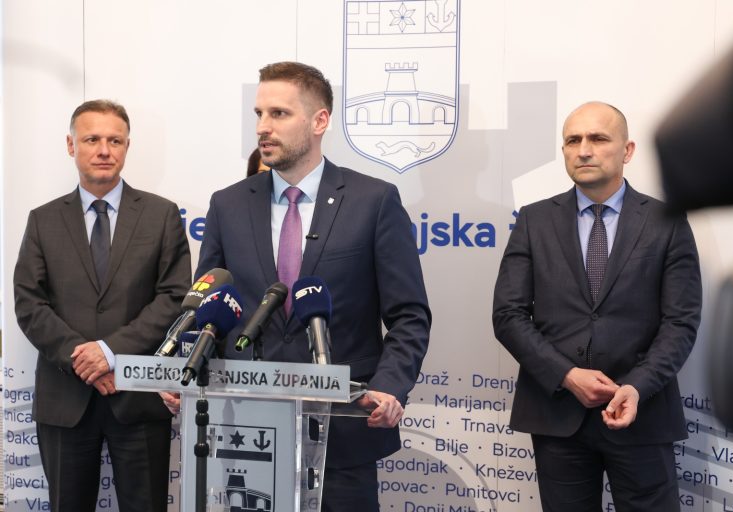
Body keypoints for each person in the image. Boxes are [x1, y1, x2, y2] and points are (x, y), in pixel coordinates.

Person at [162, 61, 431, 511]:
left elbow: (409, 315)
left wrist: (388, 387)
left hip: (344, 434)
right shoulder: (228, 205)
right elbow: (208, 305)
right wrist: (182, 373)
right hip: (243, 433)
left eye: (279, 114)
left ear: (319, 120)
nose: (263, 127)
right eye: (259, 114)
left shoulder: (374, 201)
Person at [492, 101, 702, 511]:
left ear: (627, 150)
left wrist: (636, 387)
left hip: (641, 411)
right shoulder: (534, 220)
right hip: (557, 414)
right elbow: (508, 315)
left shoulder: (667, 221)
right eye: (573, 140)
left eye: (598, 138)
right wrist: (567, 375)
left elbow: (681, 322)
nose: (584, 150)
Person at [13, 99, 191, 512]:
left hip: (138, 396)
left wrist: (110, 353)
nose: (104, 150)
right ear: (71, 145)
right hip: (65, 397)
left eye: (115, 140)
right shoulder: (42, 219)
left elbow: (174, 297)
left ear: (128, 146)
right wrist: (85, 359)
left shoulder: (161, 215)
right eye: (92, 139)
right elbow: (29, 304)